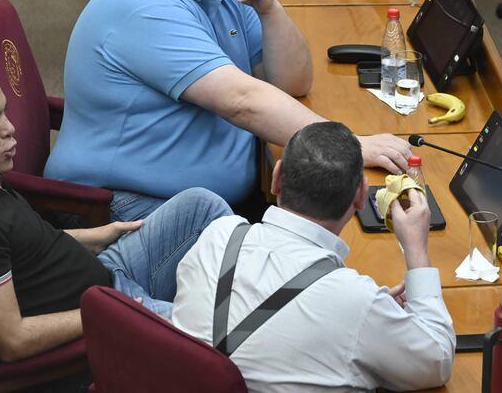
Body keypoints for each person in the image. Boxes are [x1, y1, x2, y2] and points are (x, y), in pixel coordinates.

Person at [45, 0, 411, 222]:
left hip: (198, 192)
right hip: (123, 204)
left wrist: (270, 9)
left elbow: (292, 83)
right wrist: (350, 147)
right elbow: (241, 101)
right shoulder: (145, 5)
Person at [0, 63, 232, 362]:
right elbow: (12, 339)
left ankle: (224, 301)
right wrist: (116, 310)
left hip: (102, 272)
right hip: (105, 308)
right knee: (223, 334)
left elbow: (13, 247)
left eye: (4, 113)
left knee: (202, 206)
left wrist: (93, 236)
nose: (10, 128)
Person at [172, 122, 455, 392]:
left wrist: (368, 315)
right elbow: (436, 360)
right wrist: (416, 251)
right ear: (360, 195)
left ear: (277, 177)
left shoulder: (219, 235)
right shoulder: (356, 301)